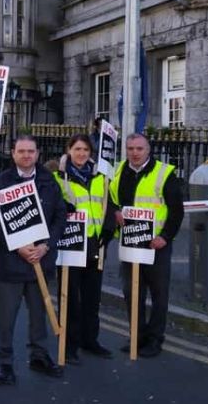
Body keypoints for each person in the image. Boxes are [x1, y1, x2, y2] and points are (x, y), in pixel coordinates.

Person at [0, 135, 66, 384]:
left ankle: (39, 356)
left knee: (38, 316)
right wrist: (18, 247)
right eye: (21, 151)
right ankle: (5, 363)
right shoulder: (0, 184)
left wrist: (46, 246)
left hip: (40, 261)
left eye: (30, 151)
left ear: (38, 153)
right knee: (5, 318)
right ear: (13, 153)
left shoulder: (49, 181)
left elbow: (60, 217)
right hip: (11, 264)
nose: (26, 155)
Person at [107, 133, 184, 358]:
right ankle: (137, 336)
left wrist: (165, 237)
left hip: (155, 244)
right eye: (130, 148)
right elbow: (110, 198)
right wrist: (115, 211)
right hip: (130, 243)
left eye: (139, 148)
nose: (134, 152)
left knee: (159, 295)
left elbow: (177, 211)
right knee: (132, 293)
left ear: (148, 149)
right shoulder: (119, 170)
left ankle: (155, 339)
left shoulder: (164, 173)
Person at [53, 134, 114, 364]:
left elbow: (110, 204)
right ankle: (69, 345)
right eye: (77, 149)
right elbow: (50, 204)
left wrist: (107, 231)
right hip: (71, 244)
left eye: (86, 150)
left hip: (96, 244)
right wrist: (62, 206)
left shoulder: (101, 177)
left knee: (92, 297)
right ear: (69, 150)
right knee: (69, 298)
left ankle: (90, 340)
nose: (81, 154)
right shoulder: (58, 177)